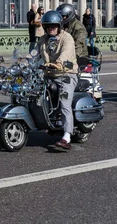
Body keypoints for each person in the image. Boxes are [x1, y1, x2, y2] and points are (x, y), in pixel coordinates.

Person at [37, 10, 78, 150]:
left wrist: (59, 63)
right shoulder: (43, 39)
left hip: (66, 74)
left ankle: (66, 137)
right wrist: (21, 62)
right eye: (48, 26)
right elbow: (34, 54)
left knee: (64, 101)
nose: (51, 29)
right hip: (49, 74)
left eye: (53, 26)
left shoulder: (67, 38)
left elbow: (66, 53)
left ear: (59, 26)